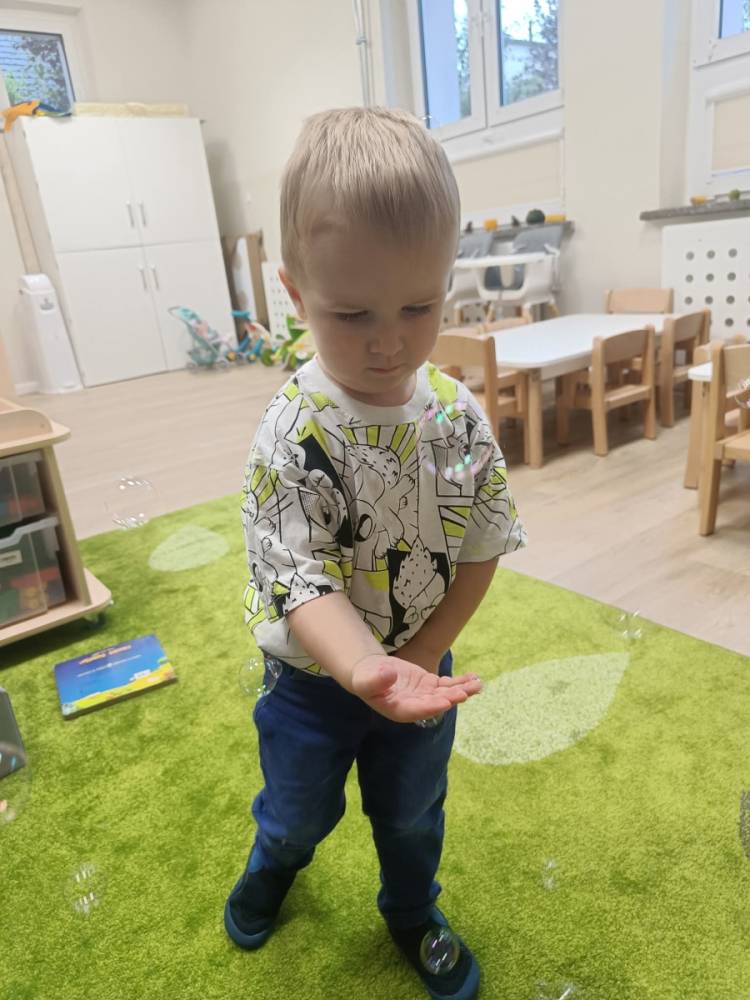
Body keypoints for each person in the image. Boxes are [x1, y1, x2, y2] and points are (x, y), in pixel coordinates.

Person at [225, 106, 526, 1000]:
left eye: (418, 306)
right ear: (295, 293)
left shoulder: (455, 420)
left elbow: (481, 540)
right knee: (298, 809)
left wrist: (422, 653)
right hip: (312, 686)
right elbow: (299, 577)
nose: (389, 340)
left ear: (446, 280)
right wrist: (363, 669)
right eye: (352, 313)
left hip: (421, 670)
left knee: (412, 814)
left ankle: (412, 910)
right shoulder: (292, 430)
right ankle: (275, 858)